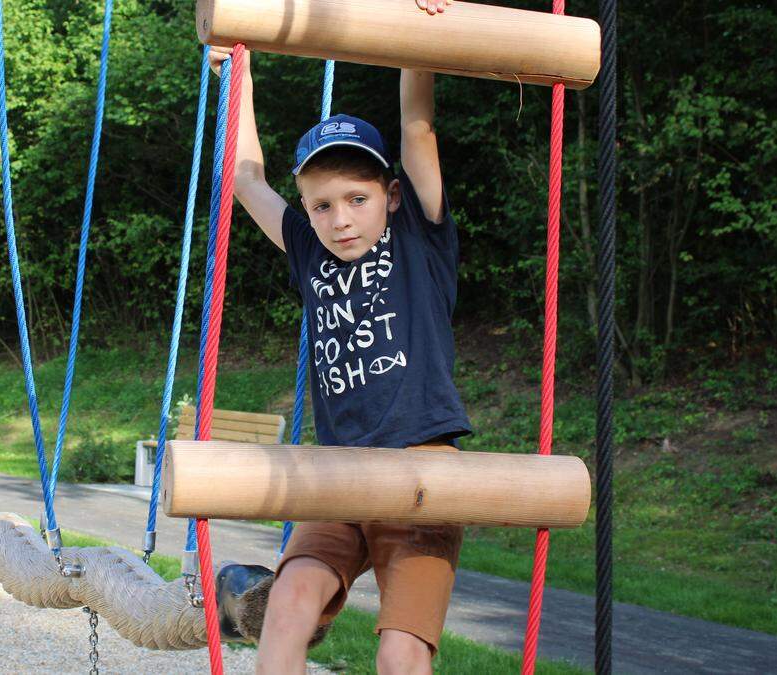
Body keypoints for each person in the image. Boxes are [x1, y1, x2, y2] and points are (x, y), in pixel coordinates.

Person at [210, 2, 473, 670]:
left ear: (389, 195)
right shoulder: (311, 254)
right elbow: (245, 178)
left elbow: (417, 122)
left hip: (422, 471)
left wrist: (420, 29)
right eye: (322, 205)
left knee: (400, 654)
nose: (340, 218)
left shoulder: (419, 235)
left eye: (356, 199)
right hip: (340, 472)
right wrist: (236, 69)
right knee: (289, 602)